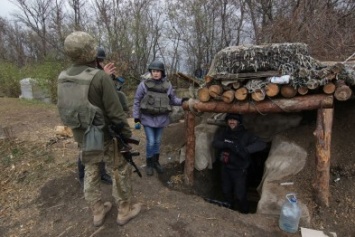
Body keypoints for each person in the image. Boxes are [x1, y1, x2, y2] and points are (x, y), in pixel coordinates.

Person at [57, 31, 141, 227]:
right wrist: (127, 137)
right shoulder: (100, 77)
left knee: (91, 169)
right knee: (120, 168)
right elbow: (116, 113)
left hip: (82, 135)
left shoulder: (62, 77)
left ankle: (97, 212)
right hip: (105, 135)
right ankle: (124, 211)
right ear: (90, 51)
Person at [77, 47, 129, 185]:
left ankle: (102, 174)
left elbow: (108, 95)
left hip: (99, 119)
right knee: (86, 149)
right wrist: (103, 75)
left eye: (101, 61)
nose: (100, 64)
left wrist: (108, 78)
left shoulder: (99, 74)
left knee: (100, 147)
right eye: (98, 61)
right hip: (86, 118)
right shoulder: (83, 75)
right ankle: (83, 177)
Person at [133, 60, 188, 176]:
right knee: (151, 141)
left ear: (162, 72)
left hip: (161, 119)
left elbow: (173, 100)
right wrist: (136, 117)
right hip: (147, 118)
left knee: (157, 142)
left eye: (158, 71)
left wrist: (182, 101)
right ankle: (149, 163)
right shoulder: (143, 85)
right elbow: (137, 101)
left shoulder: (167, 85)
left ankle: (156, 162)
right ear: (151, 72)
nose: (156, 73)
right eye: (153, 71)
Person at [212, 113, 266, 214]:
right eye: (230, 120)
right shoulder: (224, 132)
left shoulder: (246, 135)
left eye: (234, 120)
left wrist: (245, 150)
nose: (232, 121)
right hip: (225, 167)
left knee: (240, 195)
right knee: (226, 191)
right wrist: (226, 144)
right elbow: (215, 143)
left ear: (239, 122)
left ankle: (244, 213)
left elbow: (262, 144)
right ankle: (229, 211)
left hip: (239, 170)